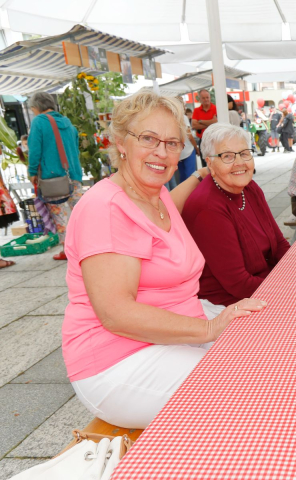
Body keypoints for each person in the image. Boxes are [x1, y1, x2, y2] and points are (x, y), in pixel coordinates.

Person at [62, 91, 265, 429]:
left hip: (170, 334)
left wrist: (200, 175)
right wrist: (209, 328)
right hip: (117, 361)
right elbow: (115, 314)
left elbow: (163, 210)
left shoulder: (153, 195)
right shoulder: (106, 208)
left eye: (172, 143)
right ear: (121, 143)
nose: (162, 152)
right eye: (148, 139)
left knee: (267, 348)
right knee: (243, 394)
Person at [183, 124, 290, 310]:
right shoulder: (208, 208)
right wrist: (289, 287)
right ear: (210, 163)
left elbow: (279, 243)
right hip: (230, 305)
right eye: (227, 156)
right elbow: (238, 284)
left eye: (244, 153)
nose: (239, 162)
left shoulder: (249, 188)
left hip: (264, 286)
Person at [27, 92, 84, 261]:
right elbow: (75, 147)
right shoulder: (66, 122)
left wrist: (32, 172)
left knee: (61, 214)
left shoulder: (39, 122)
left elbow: (34, 150)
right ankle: (85, 246)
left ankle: (68, 250)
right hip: (73, 175)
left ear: (36, 107)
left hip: (54, 178)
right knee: (78, 213)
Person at [176, 96, 198, 183]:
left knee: (182, 177)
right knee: (191, 176)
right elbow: (189, 136)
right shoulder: (183, 117)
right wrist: (196, 148)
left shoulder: (172, 117)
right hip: (188, 150)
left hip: (179, 153)